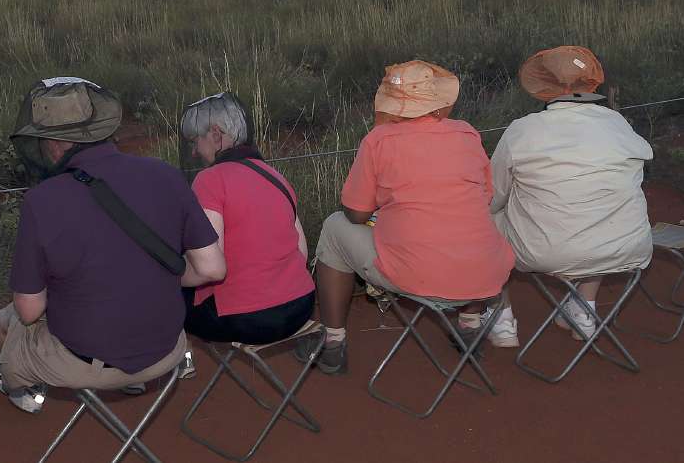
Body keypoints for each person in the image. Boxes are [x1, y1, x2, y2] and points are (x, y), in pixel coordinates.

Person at [0, 77, 227, 412]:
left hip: (82, 362)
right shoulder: (165, 174)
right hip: (166, 351)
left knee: (9, 321)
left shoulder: (42, 200)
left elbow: (30, 309)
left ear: (52, 143)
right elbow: (212, 268)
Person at [294, 61, 514, 374]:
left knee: (333, 228)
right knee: (470, 224)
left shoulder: (379, 140)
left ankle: (332, 342)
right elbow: (486, 197)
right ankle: (469, 326)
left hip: (417, 274)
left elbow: (356, 214)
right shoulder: (467, 133)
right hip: (485, 273)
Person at [485, 46, 653, 346]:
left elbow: (493, 195)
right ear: (591, 83)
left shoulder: (523, 130)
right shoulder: (618, 124)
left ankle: (501, 320)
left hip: (547, 251)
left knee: (483, 221)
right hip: (625, 248)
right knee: (602, 206)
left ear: (545, 85)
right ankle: (584, 309)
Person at [178, 92, 315, 346]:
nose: (195, 151)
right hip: (300, 307)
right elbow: (302, 253)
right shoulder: (275, 175)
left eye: (195, 140)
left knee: (167, 287)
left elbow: (209, 268)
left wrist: (173, 273)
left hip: (246, 318)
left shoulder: (209, 180)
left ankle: (178, 363)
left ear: (216, 134)